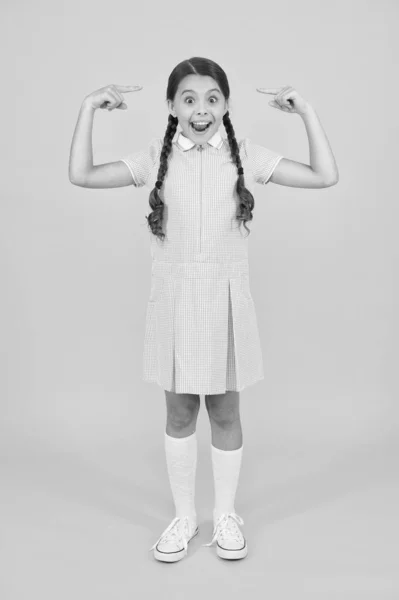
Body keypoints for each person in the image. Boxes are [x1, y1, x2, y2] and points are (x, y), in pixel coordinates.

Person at [69, 56, 339, 563]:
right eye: (188, 99)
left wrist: (305, 111)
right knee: (179, 412)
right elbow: (81, 175)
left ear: (226, 105)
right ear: (172, 106)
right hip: (174, 302)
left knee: (225, 410)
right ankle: (185, 517)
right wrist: (88, 107)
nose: (200, 109)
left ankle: (226, 516)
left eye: (212, 98)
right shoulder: (155, 157)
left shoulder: (245, 157)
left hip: (225, 303)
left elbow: (325, 177)